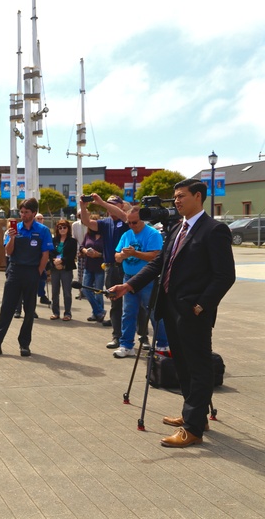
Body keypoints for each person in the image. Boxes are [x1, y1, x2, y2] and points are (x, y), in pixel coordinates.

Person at [110, 179, 235, 448]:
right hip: (170, 309)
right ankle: (195, 416)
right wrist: (129, 285)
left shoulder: (214, 230)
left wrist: (202, 305)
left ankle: (192, 429)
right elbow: (159, 263)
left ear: (198, 197)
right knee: (183, 367)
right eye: (175, 197)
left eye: (182, 196)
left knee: (199, 368)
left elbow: (225, 275)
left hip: (194, 312)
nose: (176, 201)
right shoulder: (178, 228)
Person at [0, 198, 53, 357]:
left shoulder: (43, 230)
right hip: (15, 271)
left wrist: (38, 273)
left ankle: (24, 345)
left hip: (32, 272)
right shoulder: (15, 229)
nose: (23, 215)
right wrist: (12, 238)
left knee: (29, 310)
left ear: (33, 213)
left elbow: (45, 255)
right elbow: (9, 252)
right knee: (6, 308)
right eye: (22, 212)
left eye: (26, 212)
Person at [112, 206, 168, 358]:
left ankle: (162, 344)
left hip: (147, 280)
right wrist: (122, 255)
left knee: (154, 313)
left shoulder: (152, 234)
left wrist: (135, 253)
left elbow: (156, 256)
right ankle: (126, 345)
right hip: (128, 277)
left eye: (134, 222)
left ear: (142, 220)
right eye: (128, 223)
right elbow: (116, 256)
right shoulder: (126, 234)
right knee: (128, 313)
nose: (131, 226)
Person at [80, 194, 129, 348]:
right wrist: (83, 206)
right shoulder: (105, 223)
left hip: (127, 266)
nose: (109, 208)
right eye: (108, 205)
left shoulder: (126, 219)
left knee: (134, 303)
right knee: (115, 303)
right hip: (110, 267)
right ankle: (117, 336)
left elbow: (122, 215)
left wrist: (101, 202)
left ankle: (142, 337)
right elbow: (87, 222)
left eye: (113, 204)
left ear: (121, 205)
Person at [49, 219, 77, 321]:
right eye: (60, 227)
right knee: (55, 291)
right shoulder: (53, 240)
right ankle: (55, 312)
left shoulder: (72, 241)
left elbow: (71, 255)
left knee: (67, 292)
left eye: (64, 227)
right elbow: (50, 253)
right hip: (55, 268)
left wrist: (61, 261)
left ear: (68, 229)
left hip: (66, 268)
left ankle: (67, 313)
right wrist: (54, 262)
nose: (62, 229)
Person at [80, 218, 107, 322]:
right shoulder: (88, 235)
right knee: (86, 289)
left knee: (98, 291)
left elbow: (109, 252)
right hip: (88, 266)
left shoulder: (105, 236)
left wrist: (98, 254)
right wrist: (86, 251)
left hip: (100, 266)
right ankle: (99, 311)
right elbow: (81, 246)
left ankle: (96, 314)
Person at [71, 210, 88, 299]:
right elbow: (74, 239)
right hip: (80, 252)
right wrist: (79, 250)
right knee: (80, 273)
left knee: (89, 273)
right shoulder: (75, 225)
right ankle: (81, 292)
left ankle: (89, 292)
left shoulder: (90, 223)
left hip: (89, 252)